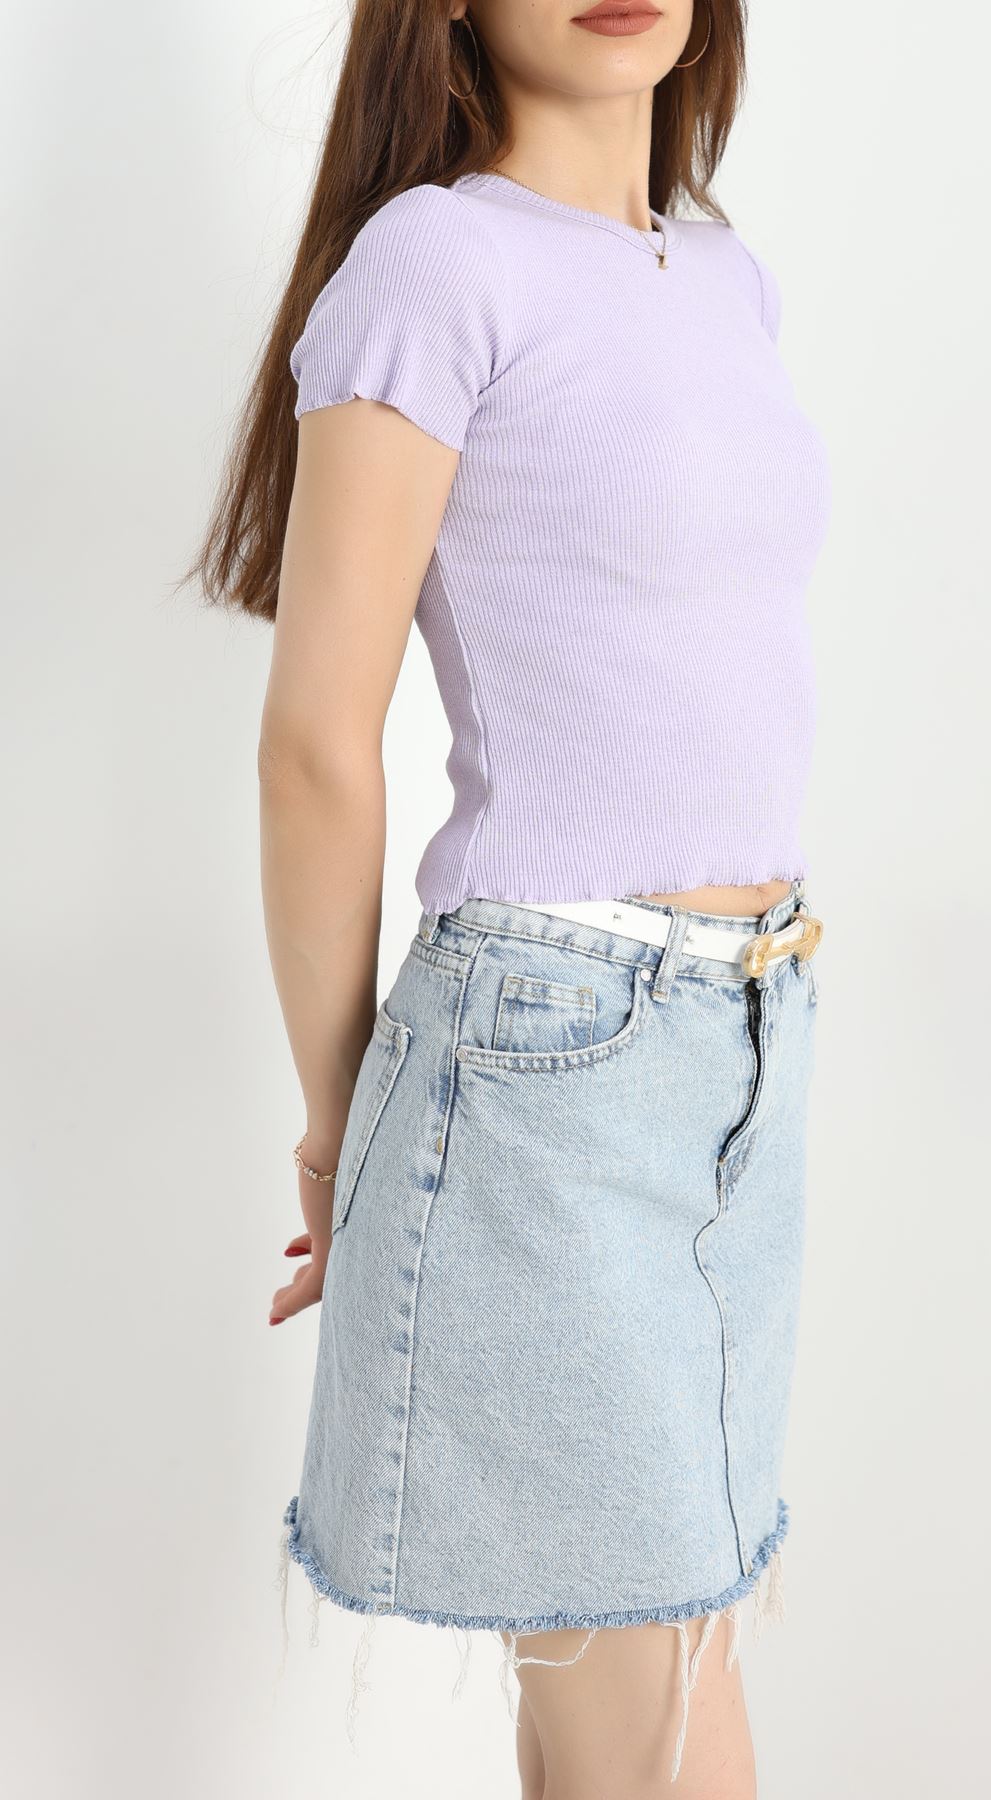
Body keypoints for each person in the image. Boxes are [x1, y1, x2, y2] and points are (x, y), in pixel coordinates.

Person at [187, 2, 831, 1792]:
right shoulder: (436, 263)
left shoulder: (724, 280)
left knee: (666, 1680)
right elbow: (316, 744)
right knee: (647, 1715)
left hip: (753, 1038)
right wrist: (342, 1128)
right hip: (549, 1060)